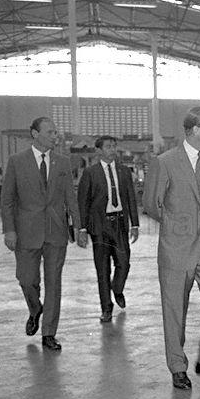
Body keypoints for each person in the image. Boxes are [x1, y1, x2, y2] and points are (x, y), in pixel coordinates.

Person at [144, 107, 200, 390]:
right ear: (195, 130)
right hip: (177, 249)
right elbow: (151, 204)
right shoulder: (165, 162)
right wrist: (175, 225)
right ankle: (177, 367)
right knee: (174, 311)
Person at [1, 117, 82, 351]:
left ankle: (49, 333)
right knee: (27, 280)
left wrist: (79, 225)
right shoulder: (17, 162)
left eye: (56, 132)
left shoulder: (63, 163)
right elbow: (7, 200)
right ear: (35, 134)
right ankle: (35, 308)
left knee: (54, 283)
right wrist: (9, 230)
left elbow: (70, 197)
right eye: (50, 132)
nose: (55, 136)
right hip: (26, 232)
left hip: (56, 231)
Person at [77, 135, 140, 323]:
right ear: (98, 151)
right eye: (108, 147)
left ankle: (117, 288)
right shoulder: (90, 173)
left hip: (120, 224)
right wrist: (82, 228)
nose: (112, 150)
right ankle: (106, 307)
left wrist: (134, 224)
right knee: (102, 270)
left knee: (124, 263)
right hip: (100, 226)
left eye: (114, 146)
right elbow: (83, 201)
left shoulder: (124, 172)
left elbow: (131, 198)